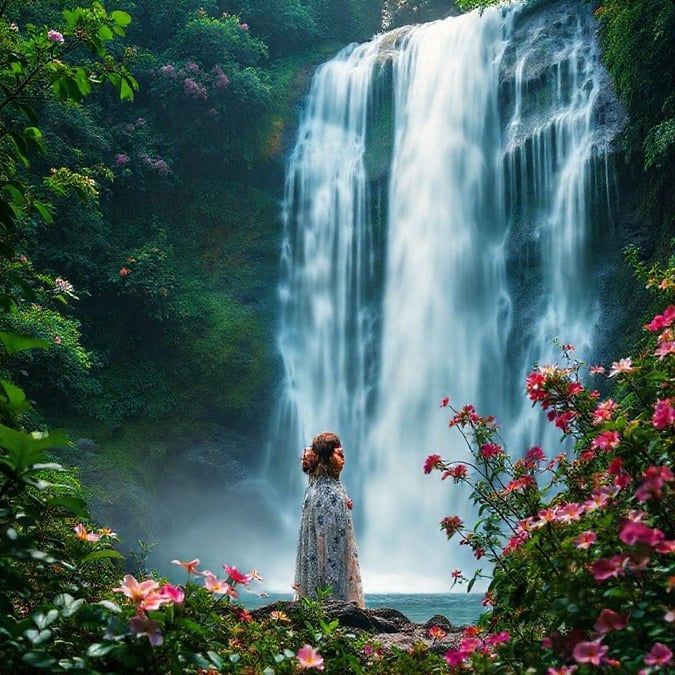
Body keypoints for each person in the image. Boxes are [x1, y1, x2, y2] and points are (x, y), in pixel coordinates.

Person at [293, 431, 364, 607]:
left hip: (330, 520)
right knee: (327, 552)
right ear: (327, 457)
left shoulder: (321, 485)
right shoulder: (322, 489)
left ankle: (323, 602)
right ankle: (331, 601)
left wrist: (343, 501)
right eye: (339, 455)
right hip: (326, 519)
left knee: (332, 553)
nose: (343, 460)